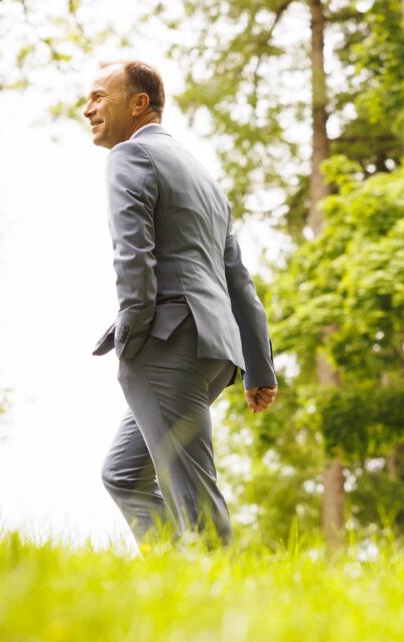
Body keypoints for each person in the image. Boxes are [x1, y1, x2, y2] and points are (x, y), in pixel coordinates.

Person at [84, 59, 277, 549]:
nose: (88, 109)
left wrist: (133, 341)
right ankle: (181, 579)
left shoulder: (130, 157)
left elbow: (133, 258)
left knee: (194, 495)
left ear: (139, 104)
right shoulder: (205, 179)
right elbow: (239, 281)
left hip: (168, 344)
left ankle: (227, 600)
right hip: (214, 353)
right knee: (123, 474)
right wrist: (259, 368)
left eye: (99, 97)